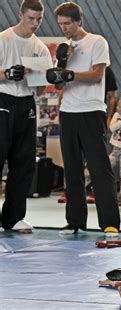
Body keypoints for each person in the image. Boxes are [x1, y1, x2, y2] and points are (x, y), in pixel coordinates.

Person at [48, 2, 120, 237]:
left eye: (67, 23)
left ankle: (109, 223)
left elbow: (97, 74)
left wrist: (70, 74)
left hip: (91, 111)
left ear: (79, 21)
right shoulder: (65, 47)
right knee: (72, 170)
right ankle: (75, 221)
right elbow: (58, 84)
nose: (64, 28)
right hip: (68, 112)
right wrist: (62, 63)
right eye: (60, 24)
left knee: (100, 169)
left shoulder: (97, 41)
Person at [0, 0, 52, 233]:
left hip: (27, 103)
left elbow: (41, 90)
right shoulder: (3, 39)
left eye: (39, 19)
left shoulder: (40, 48)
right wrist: (8, 73)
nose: (34, 24)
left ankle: (13, 218)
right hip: (3, 99)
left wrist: (37, 77)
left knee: (24, 161)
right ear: (21, 14)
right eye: (30, 18)